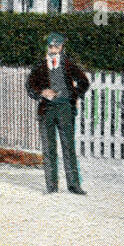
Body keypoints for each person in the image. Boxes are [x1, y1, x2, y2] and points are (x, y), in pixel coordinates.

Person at [25, 33, 91, 194]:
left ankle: (74, 185)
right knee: (48, 148)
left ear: (61, 47)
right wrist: (42, 92)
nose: (53, 49)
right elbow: (29, 86)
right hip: (46, 110)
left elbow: (84, 82)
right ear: (47, 47)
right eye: (50, 46)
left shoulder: (68, 64)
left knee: (68, 147)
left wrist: (73, 95)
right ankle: (51, 186)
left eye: (56, 46)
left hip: (65, 110)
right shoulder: (39, 66)